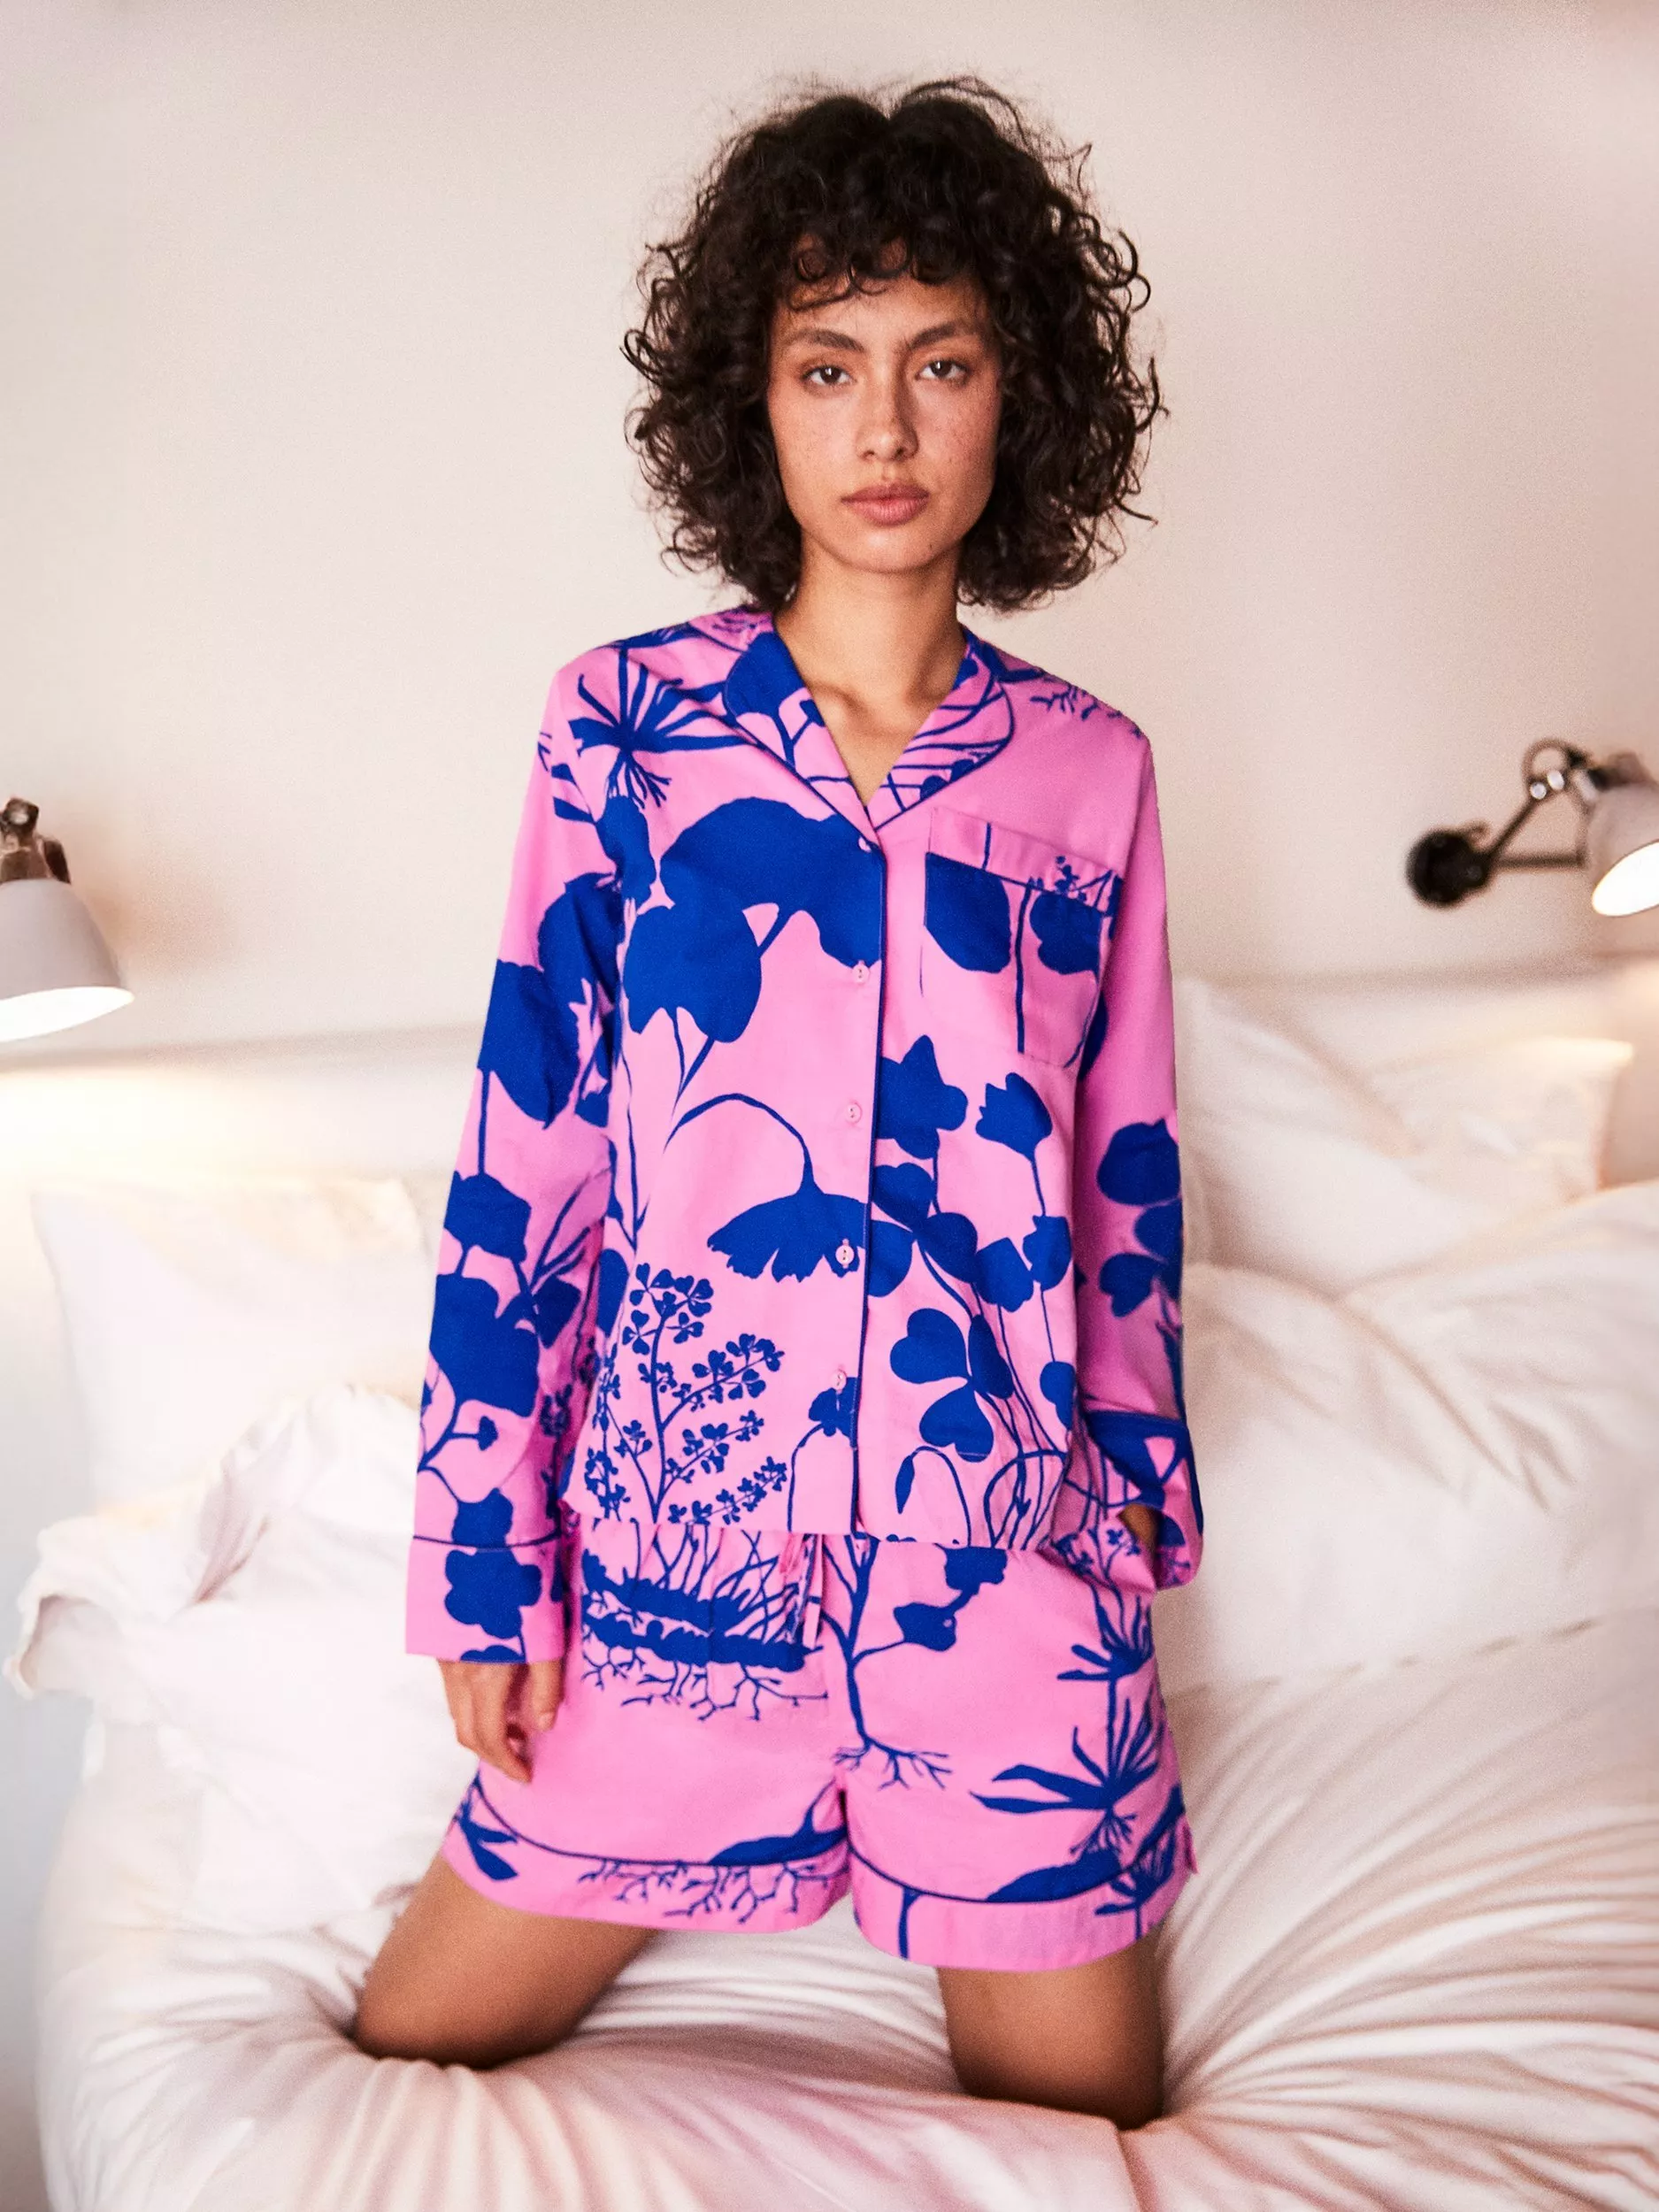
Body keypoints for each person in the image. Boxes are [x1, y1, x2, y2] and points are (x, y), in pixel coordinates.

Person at [354, 74, 1201, 2128]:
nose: (884, 429)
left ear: (1019, 395)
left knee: (1086, 2146)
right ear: (756, 403)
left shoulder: (1089, 768)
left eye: (941, 363)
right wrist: (487, 1559)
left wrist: (1124, 1518)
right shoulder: (624, 731)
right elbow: (531, 1154)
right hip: (671, 1575)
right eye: (828, 367)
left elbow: (1123, 1175)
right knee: (403, 2052)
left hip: (999, 1582)